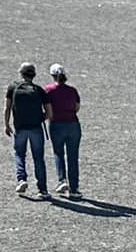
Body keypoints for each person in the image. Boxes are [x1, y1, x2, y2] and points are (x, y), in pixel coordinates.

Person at [4, 61, 52, 198]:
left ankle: (21, 179)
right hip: (36, 128)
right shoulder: (39, 90)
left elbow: (7, 107)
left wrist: (7, 124)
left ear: (21, 73)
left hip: (20, 127)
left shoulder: (13, 87)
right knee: (38, 158)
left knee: (19, 154)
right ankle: (42, 190)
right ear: (34, 75)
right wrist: (41, 118)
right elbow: (49, 113)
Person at [45, 64, 82, 200]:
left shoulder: (48, 90)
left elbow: (48, 109)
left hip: (56, 124)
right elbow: (77, 107)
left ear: (52, 76)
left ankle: (62, 181)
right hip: (73, 124)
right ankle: (74, 188)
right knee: (73, 156)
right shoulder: (72, 90)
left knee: (58, 153)